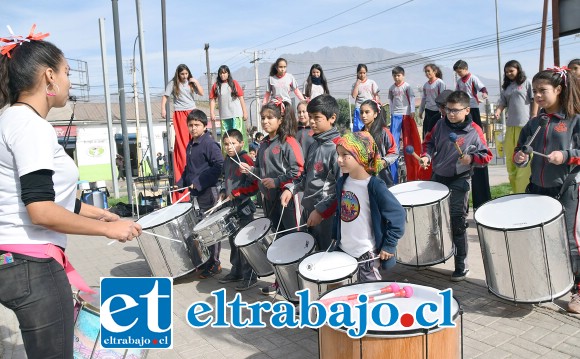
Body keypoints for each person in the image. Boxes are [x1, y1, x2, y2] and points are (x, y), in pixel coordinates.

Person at [0, 26, 141, 358]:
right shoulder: (30, 126)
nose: (70, 81)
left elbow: (48, 196)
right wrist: (109, 229)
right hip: (33, 266)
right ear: (49, 77)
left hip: (14, 260)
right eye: (66, 72)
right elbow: (41, 210)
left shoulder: (10, 119)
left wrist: (99, 212)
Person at [512, 67, 580, 313]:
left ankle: (578, 291)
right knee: (540, 239)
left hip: (568, 190)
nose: (538, 96)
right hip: (537, 190)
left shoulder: (575, 120)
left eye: (543, 91)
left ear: (559, 90)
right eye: (535, 91)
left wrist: (566, 155)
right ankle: (547, 284)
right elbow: (521, 150)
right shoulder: (534, 123)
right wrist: (519, 157)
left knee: (571, 242)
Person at [420, 91, 493, 281]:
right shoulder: (439, 124)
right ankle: (433, 255)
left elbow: (486, 156)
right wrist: (426, 156)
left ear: (467, 110)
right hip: (438, 177)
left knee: (457, 222)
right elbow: (428, 143)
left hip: (460, 179)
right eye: (447, 109)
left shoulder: (475, 130)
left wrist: (471, 158)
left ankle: (461, 263)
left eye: (455, 110)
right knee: (434, 219)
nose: (450, 114)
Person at [240, 99, 304, 295]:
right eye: (263, 118)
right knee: (277, 242)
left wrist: (277, 182)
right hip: (269, 201)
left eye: (270, 118)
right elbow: (261, 170)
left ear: (281, 118)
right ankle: (281, 282)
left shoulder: (289, 142)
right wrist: (251, 170)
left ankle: (299, 287)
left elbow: (299, 171)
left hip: (288, 201)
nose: (265, 122)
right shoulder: (264, 144)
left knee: (293, 241)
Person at [332, 131, 406, 282]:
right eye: (338, 154)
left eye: (345, 155)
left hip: (366, 253)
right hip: (343, 249)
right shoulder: (342, 183)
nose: (339, 160)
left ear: (360, 156)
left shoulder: (374, 186)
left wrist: (389, 245)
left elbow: (398, 215)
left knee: (369, 292)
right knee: (341, 290)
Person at [281, 94, 341, 250]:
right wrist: (291, 189)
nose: (312, 121)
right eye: (310, 117)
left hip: (327, 216)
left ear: (332, 118)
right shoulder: (314, 144)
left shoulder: (338, 148)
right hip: (308, 211)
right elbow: (306, 177)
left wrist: (321, 211)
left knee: (325, 259)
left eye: (317, 118)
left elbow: (342, 188)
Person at [176, 109, 224, 278]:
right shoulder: (191, 144)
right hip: (195, 194)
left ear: (205, 126)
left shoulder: (210, 144)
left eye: (197, 125)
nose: (193, 128)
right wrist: (180, 183)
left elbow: (219, 166)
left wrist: (198, 182)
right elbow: (189, 169)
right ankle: (205, 260)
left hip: (208, 191)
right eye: (190, 125)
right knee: (199, 229)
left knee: (211, 229)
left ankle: (215, 263)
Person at [219, 129, 259, 291]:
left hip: (244, 209)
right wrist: (223, 191)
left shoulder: (245, 158)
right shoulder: (227, 160)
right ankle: (236, 271)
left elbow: (255, 185)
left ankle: (250, 276)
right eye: (226, 144)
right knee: (233, 242)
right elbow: (225, 179)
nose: (229, 147)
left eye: (233, 143)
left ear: (242, 143)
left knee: (245, 244)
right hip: (230, 209)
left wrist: (237, 193)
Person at [161, 64, 203, 201]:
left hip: (191, 110)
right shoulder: (173, 83)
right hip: (179, 113)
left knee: (195, 138)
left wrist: (195, 82)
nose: (184, 76)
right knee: (183, 143)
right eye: (182, 74)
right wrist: (163, 109)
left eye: (186, 74)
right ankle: (183, 184)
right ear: (178, 74)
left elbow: (201, 93)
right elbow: (165, 97)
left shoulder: (191, 82)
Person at [494, 60, 537, 193]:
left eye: (511, 71)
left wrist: (534, 115)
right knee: (511, 160)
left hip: (524, 126)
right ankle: (515, 191)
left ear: (518, 69)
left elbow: (534, 99)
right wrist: (498, 111)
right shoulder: (507, 87)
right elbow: (502, 102)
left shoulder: (527, 83)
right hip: (510, 127)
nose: (509, 73)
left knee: (523, 160)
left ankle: (523, 191)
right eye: (506, 72)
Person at [453, 59, 491, 209]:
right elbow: (457, 93)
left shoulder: (472, 78)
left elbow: (483, 88)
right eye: (457, 72)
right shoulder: (459, 82)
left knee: (475, 127)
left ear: (465, 69)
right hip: (464, 107)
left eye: (460, 71)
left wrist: (484, 95)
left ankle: (478, 141)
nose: (459, 74)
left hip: (473, 106)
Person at [388, 66, 424, 183]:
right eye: (395, 76)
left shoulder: (407, 86)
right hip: (396, 115)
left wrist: (412, 110)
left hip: (406, 114)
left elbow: (411, 99)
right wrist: (392, 114)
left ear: (403, 75)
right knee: (394, 140)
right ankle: (394, 155)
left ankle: (412, 160)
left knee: (408, 139)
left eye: (398, 75)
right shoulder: (391, 88)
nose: (396, 78)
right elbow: (391, 101)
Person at [209, 65, 249, 152]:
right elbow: (212, 100)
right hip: (224, 116)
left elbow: (241, 98)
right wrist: (212, 112)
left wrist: (244, 112)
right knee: (226, 138)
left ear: (228, 73)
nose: (223, 75)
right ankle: (226, 158)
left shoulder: (234, 83)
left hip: (236, 115)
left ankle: (243, 156)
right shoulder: (216, 86)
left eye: (225, 73)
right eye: (221, 73)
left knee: (238, 136)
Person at [359, 99, 398, 186]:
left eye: (367, 112)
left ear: (375, 114)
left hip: (382, 179)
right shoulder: (359, 135)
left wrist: (382, 162)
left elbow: (394, 152)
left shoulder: (384, 132)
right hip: (364, 180)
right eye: (361, 112)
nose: (363, 115)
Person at [418, 64, 447, 138]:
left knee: (437, 131)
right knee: (427, 131)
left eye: (428, 71)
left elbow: (443, 97)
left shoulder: (440, 83)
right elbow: (424, 98)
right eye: (426, 72)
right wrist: (421, 111)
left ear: (435, 71)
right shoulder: (425, 85)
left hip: (437, 111)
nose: (427, 73)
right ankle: (426, 148)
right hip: (428, 110)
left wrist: (442, 109)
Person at [351, 63, 379, 132]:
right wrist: (357, 84)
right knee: (358, 128)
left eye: (364, 73)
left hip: (369, 108)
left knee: (370, 127)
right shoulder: (355, 84)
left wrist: (377, 103)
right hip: (359, 108)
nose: (362, 75)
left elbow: (376, 95)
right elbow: (354, 96)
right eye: (360, 73)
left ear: (366, 73)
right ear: (357, 73)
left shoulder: (371, 82)